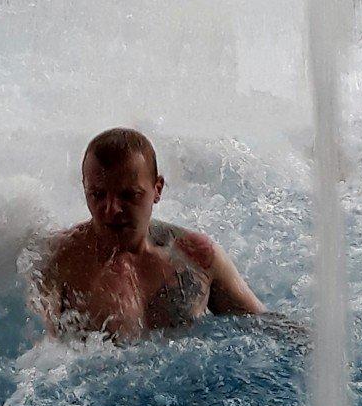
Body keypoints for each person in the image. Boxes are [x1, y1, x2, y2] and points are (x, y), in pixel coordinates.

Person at [35, 127, 285, 343]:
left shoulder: (197, 259)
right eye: (97, 195)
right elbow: (38, 357)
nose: (111, 210)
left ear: (157, 189)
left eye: (128, 195)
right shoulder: (56, 263)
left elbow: (263, 328)